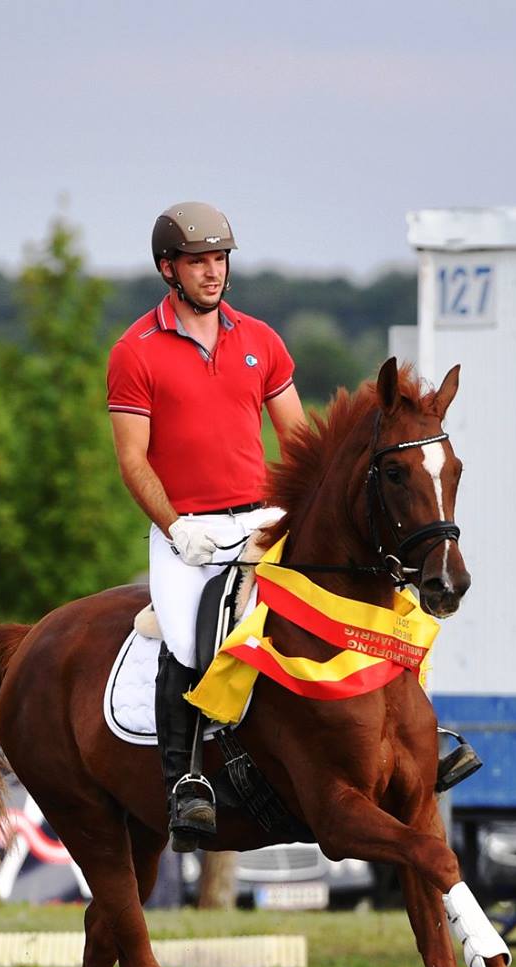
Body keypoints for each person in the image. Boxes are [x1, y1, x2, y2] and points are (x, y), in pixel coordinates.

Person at [107, 201, 305, 849]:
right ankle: (184, 781)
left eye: (220, 259)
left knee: (335, 596)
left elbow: (297, 441)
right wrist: (174, 526)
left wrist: (297, 512)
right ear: (170, 268)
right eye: (199, 262)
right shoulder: (135, 352)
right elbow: (133, 460)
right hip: (186, 532)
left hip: (260, 520)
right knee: (190, 639)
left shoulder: (262, 341)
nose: (213, 272)